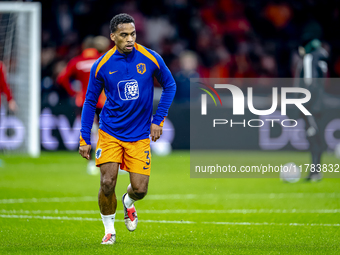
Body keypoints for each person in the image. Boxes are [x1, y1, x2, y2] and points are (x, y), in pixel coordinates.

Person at [78, 13, 176, 244]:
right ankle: (109, 231)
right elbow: (90, 101)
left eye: (133, 34)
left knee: (140, 189)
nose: (130, 39)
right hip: (110, 132)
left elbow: (170, 85)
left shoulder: (150, 58)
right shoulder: (101, 65)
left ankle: (128, 202)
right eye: (124, 35)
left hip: (140, 134)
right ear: (113, 37)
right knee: (107, 182)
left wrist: (158, 119)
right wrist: (84, 138)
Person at [57, 36, 109, 174]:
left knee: (90, 131)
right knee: (107, 131)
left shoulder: (77, 61)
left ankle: (92, 162)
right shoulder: (102, 60)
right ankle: (111, 161)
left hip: (84, 102)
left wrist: (73, 92)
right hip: (102, 101)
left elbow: (61, 78)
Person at [294, 23, 328, 181]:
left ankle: (315, 172)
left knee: (313, 137)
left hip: (310, 105)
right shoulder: (322, 55)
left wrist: (303, 103)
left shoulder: (309, 57)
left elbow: (309, 82)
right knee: (316, 135)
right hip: (320, 103)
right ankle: (316, 171)